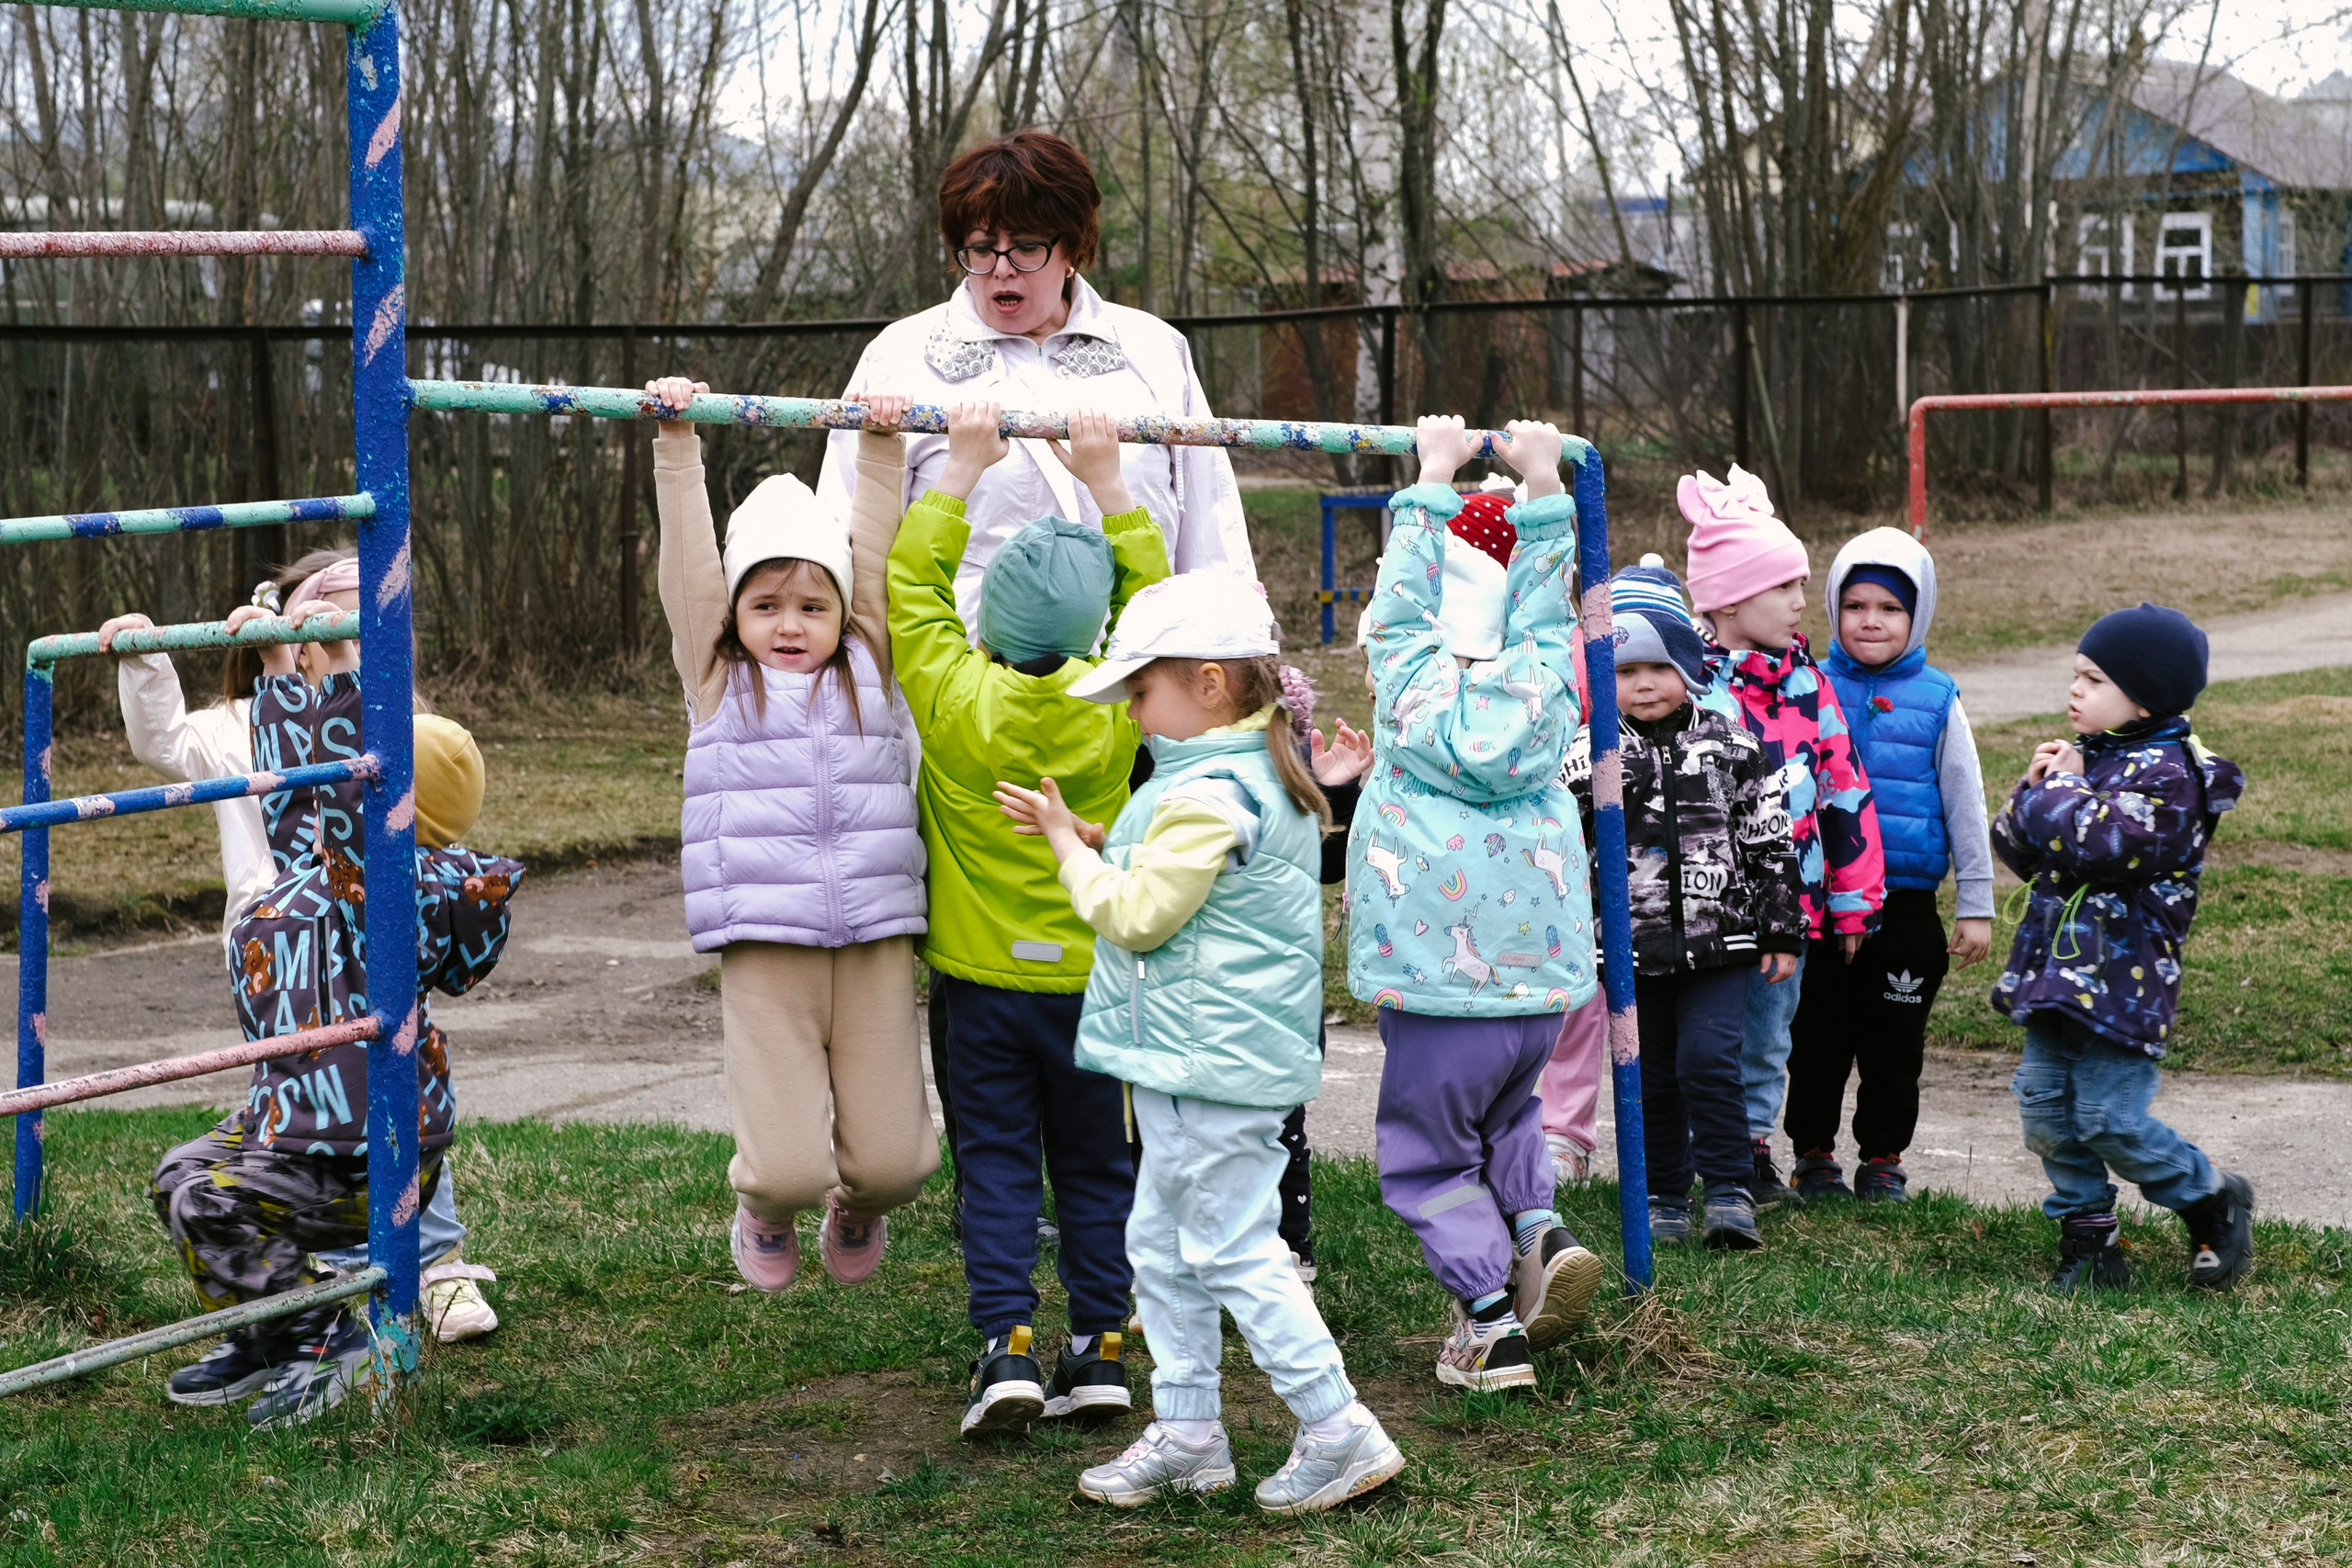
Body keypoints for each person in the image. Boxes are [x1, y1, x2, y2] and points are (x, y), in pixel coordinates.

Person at [995, 571, 1407, 1515]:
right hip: (1204, 1059)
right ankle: (1187, 1433)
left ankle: (1337, 1426)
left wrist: (1069, 850)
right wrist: (1103, 835)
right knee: (1164, 1244)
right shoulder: (1238, 774)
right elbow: (1191, 877)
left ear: (1211, 684)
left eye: (1141, 691)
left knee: (1227, 1247)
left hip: (1209, 1064)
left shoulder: (1210, 790)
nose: (1132, 713)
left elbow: (1135, 916)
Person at [858, 393, 1168, 1438]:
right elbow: (1156, 609)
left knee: (994, 1164)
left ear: (989, 623)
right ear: (1099, 633)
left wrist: (958, 473)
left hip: (982, 987)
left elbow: (909, 591)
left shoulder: (951, 701)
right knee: (1095, 1165)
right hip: (1092, 984)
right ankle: (1105, 1345)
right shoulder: (1121, 705)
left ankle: (1009, 1348)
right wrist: (1110, 484)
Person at [97, 558, 497, 1346]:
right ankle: (337, 1248)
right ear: (302, 644)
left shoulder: (386, 720)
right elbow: (164, 744)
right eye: (341, 637)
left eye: (374, 634)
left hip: (358, 933)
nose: (362, 652)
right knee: (303, 1098)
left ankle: (437, 1260)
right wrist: (147, 658)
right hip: (275, 948)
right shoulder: (242, 721)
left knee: (393, 1071)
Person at [645, 375, 940, 1298]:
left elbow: (879, 557)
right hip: (766, 942)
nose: (788, 624)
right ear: (733, 613)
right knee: (782, 1167)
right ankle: (767, 1209)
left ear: (842, 613)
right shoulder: (717, 682)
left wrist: (884, 449)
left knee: (897, 1166)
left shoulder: (870, 666)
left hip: (875, 939)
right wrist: (677, 441)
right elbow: (690, 565)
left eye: (812, 606)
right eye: (765, 604)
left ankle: (858, 1204)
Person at [151, 715, 524, 1427]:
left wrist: (349, 666)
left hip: (365, 1149)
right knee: (179, 1175)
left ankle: (324, 1341)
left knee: (211, 1202)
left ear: (394, 796)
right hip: (299, 1121)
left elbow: (361, 833)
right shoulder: (329, 871)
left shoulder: (402, 887)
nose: (337, 777)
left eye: (360, 765)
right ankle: (266, 1335)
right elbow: (292, 783)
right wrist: (282, 665)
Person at [1347, 415, 1604, 1393]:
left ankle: (1489, 1319)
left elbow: (1403, 600)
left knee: (1426, 1155)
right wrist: (1541, 483)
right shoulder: (1546, 677)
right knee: (1510, 1119)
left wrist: (1432, 476)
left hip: (1435, 983)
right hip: (1538, 986)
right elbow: (1549, 604)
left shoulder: (1405, 674)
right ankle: (1539, 1226)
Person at [815, 130, 1252, 637]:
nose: (1002, 269)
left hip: (1133, 671)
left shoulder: (1154, 350)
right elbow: (846, 529)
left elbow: (1209, 518)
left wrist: (1228, 648)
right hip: (967, 682)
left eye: (1026, 247)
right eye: (981, 249)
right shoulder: (900, 356)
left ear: (1073, 250)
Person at [1992, 604, 2254, 1293]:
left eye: (2094, 678)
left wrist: (2066, 788)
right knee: (2045, 1111)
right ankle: (2090, 1238)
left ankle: (2210, 1196)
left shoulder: (2174, 777)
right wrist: (2035, 785)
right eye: (2075, 675)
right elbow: (2019, 847)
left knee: (2109, 1118)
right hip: (2056, 977)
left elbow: (2103, 844)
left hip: (2123, 982)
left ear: (2145, 697)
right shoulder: (2092, 759)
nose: (2075, 689)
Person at [1565, 561, 1805, 1248]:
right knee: (1652, 1075)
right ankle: (1665, 1194)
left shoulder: (1732, 745)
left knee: (1709, 1060)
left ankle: (1729, 1189)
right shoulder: (1588, 755)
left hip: (1719, 942)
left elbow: (1766, 838)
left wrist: (1780, 926)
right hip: (1630, 950)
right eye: (1625, 670)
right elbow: (1561, 840)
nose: (1643, 684)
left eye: (1659, 666)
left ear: (1690, 666)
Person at [1681, 467, 1884, 1203]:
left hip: (1790, 910)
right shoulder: (1689, 687)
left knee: (1769, 1035)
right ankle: (1697, 1150)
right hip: (1706, 910)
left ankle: (1751, 1151)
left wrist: (1854, 902)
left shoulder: (1809, 684)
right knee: (1704, 1037)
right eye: (1786, 588)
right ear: (1730, 599)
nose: (1804, 603)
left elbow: (1845, 790)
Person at [1781, 529, 1996, 1201]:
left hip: (1904, 905)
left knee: (1893, 1047)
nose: (1871, 620)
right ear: (1833, 609)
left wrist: (1976, 902)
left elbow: (1966, 801)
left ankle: (1883, 1157)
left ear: (1918, 615)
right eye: (1855, 605)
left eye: (1890, 608)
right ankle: (1813, 1154)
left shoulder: (1937, 700)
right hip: (1821, 903)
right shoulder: (1806, 686)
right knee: (1816, 1039)